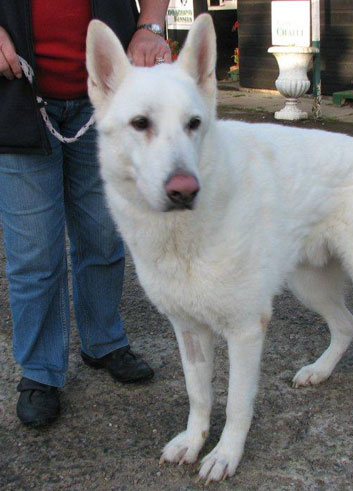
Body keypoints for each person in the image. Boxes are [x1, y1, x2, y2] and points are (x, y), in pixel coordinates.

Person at [0, 0, 170, 428]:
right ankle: (40, 370)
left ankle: (103, 341)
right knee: (35, 253)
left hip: (109, 103)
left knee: (103, 236)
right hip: (16, 96)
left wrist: (150, 23)